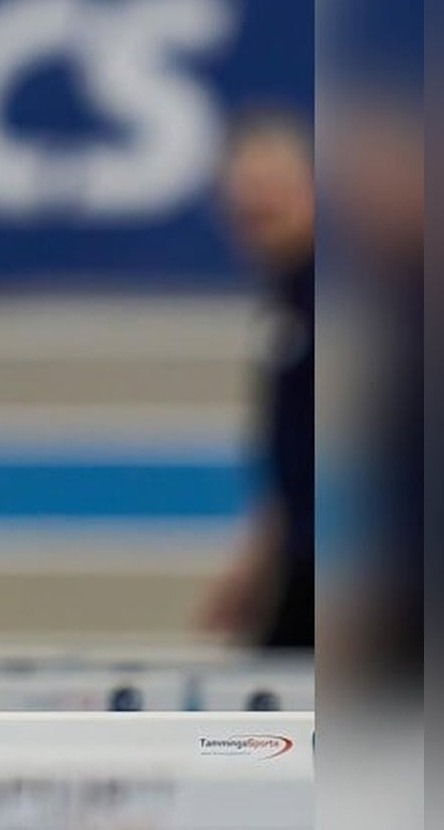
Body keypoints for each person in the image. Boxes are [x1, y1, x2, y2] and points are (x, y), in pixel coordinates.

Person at [197, 110, 314, 650]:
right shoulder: (288, 298)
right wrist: (258, 558)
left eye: (272, 190)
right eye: (244, 197)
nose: (256, 207)